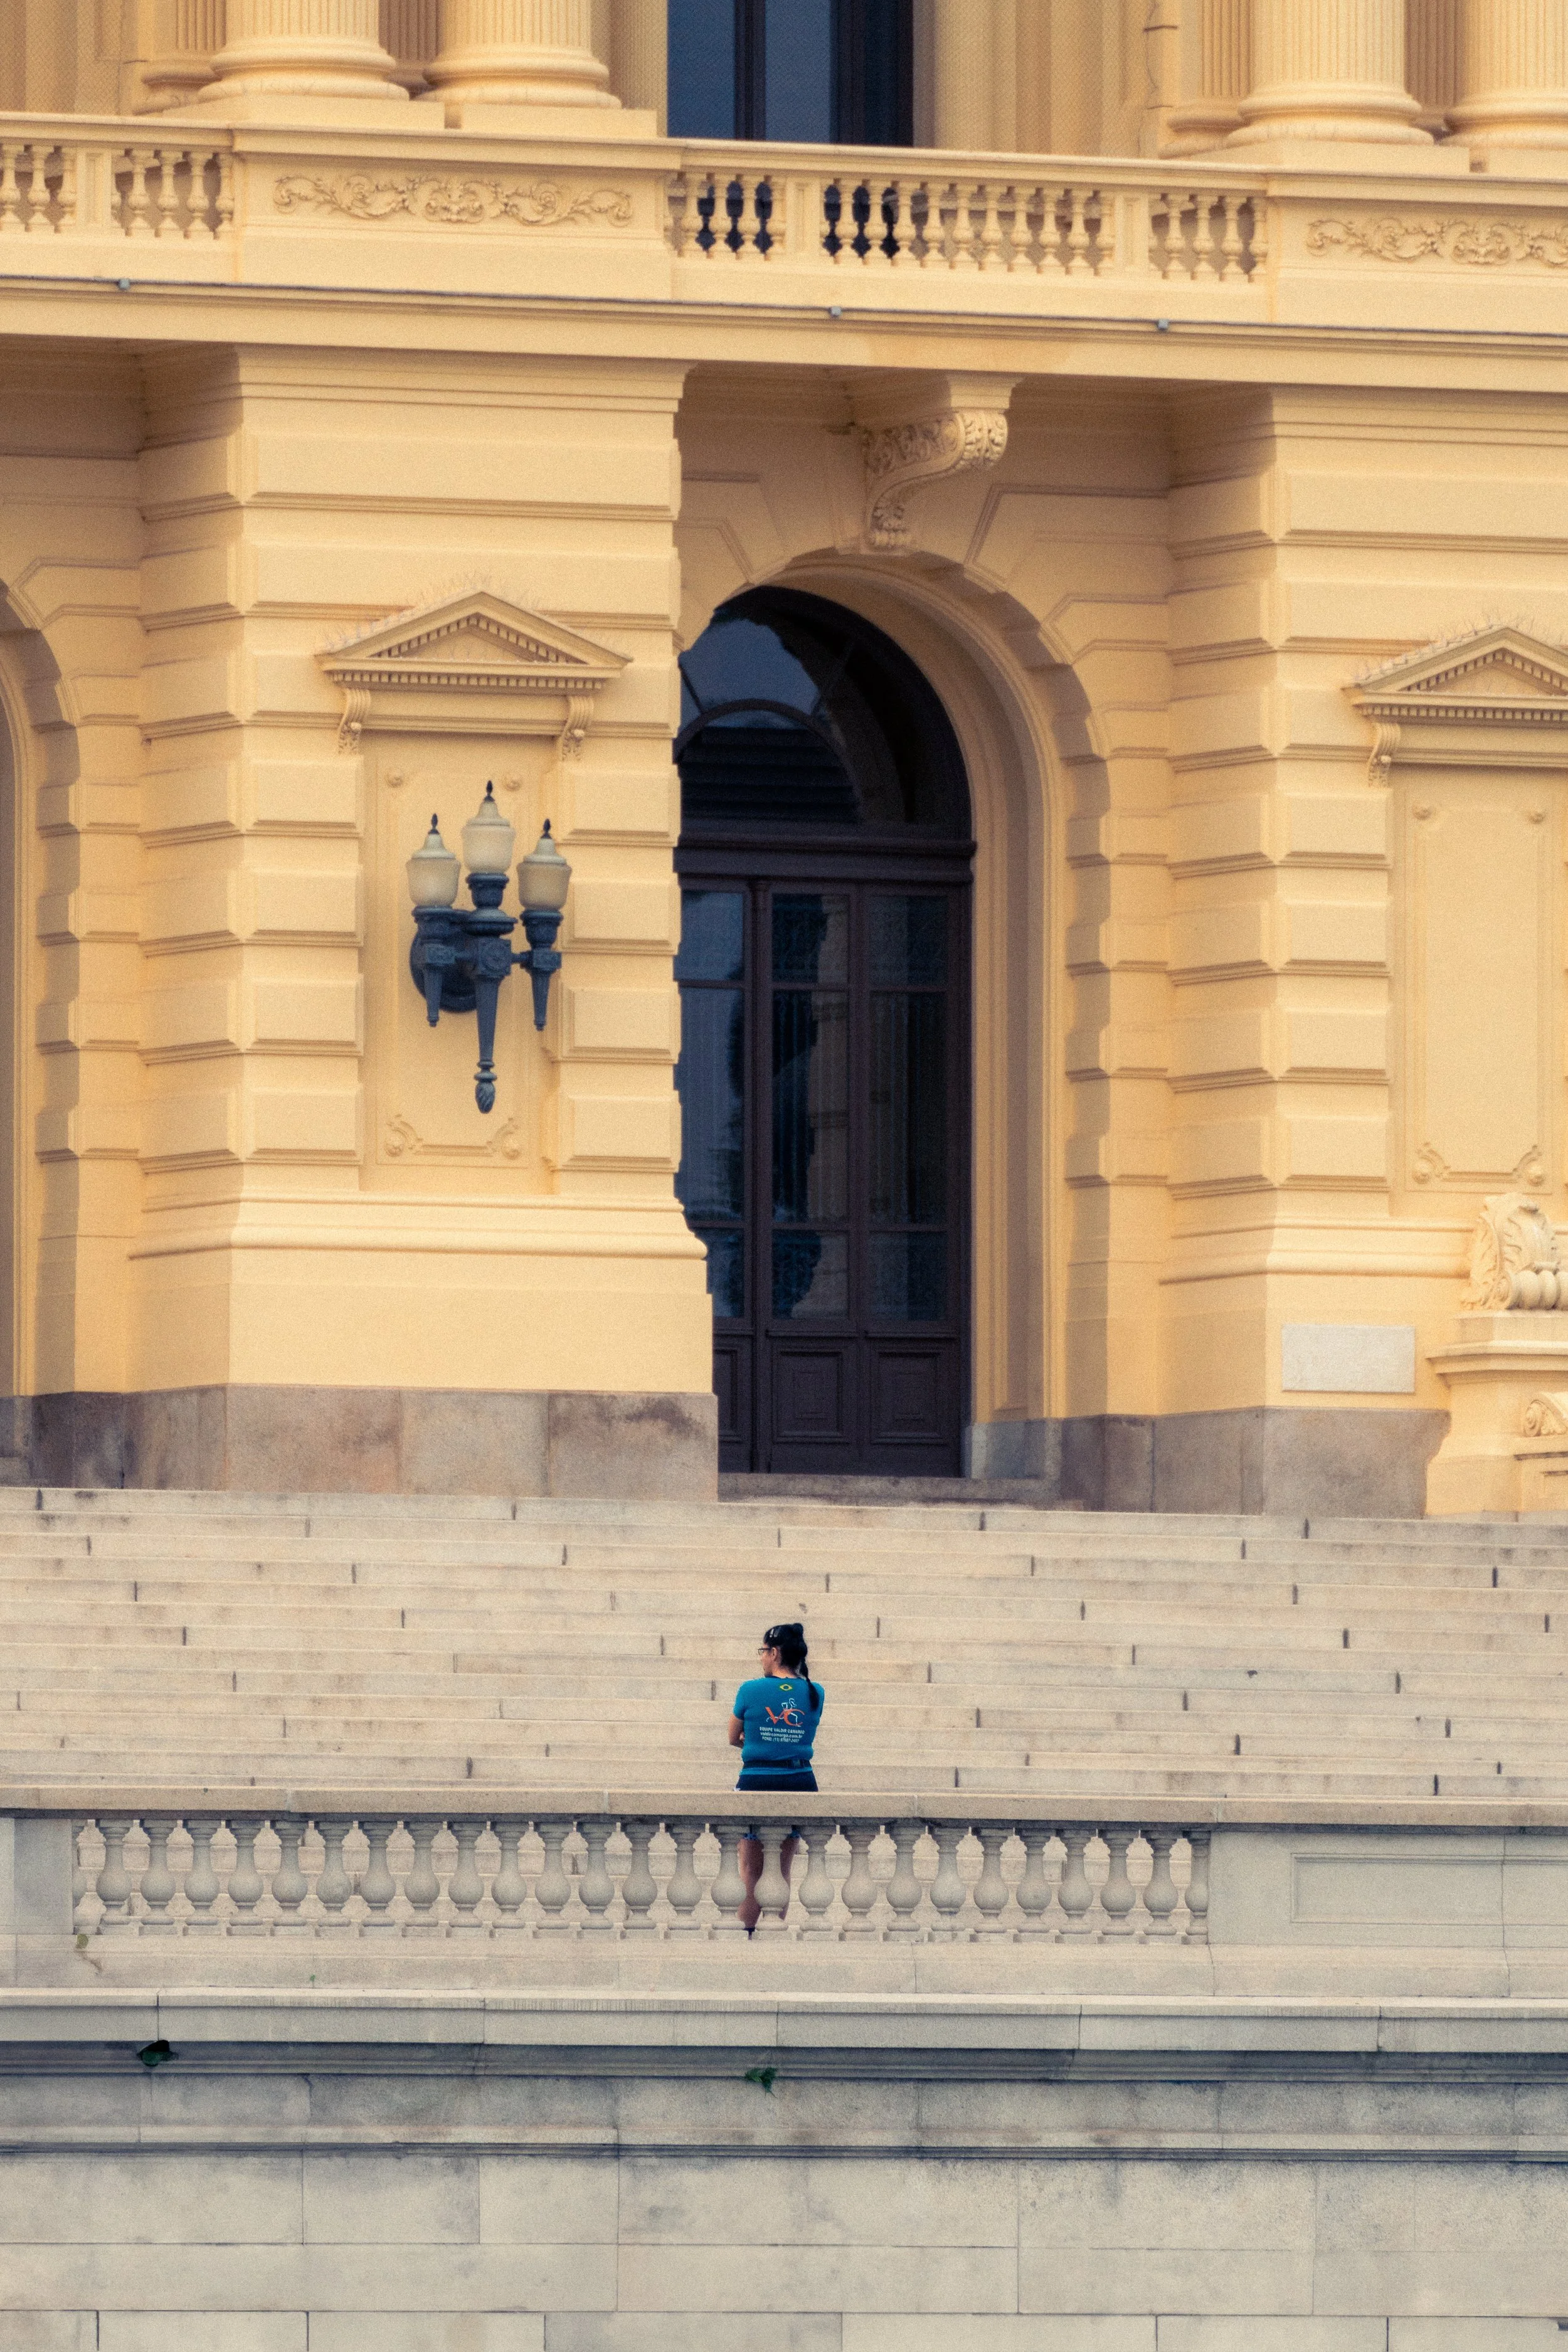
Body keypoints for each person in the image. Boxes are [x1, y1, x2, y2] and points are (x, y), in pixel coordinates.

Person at [728, 1623, 824, 1934]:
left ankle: (747, 1934)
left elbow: (732, 1737)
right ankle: (772, 1931)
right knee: (782, 1868)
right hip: (799, 1780)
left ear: (775, 1653)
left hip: (757, 1779)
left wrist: (761, 1744)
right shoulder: (814, 1692)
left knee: (750, 1868)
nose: (761, 1659)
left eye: (763, 1652)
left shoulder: (750, 1689)